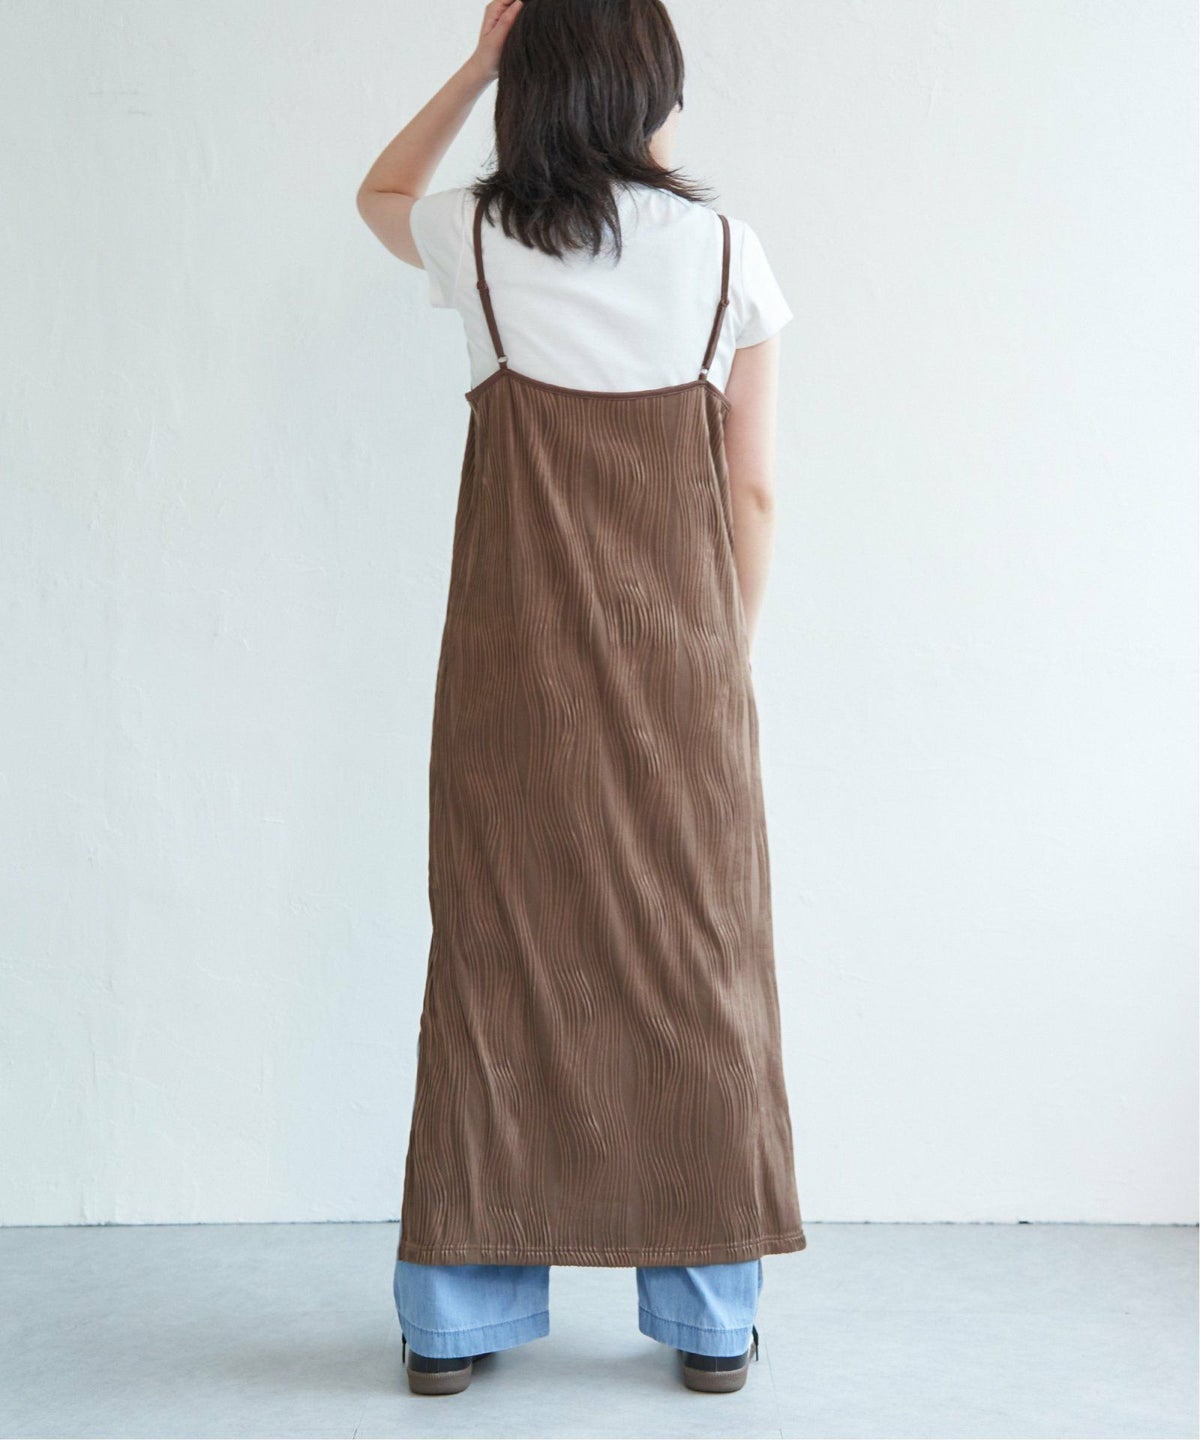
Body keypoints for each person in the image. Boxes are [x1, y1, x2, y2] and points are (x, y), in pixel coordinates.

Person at [356, 0, 806, 1397]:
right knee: (697, 969)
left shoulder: (481, 242)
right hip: (685, 678)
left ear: (535, 87)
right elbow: (752, 490)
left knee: (496, 963)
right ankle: (711, 1320)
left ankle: (455, 1323)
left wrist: (473, 67)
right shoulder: (726, 254)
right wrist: (724, 657)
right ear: (651, 86)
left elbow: (377, 195)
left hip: (511, 681)